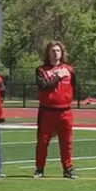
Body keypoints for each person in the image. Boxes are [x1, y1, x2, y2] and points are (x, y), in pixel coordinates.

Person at [34, 41, 76, 178]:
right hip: (47, 111)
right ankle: (39, 169)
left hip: (65, 111)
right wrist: (58, 76)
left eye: (58, 51)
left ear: (62, 53)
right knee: (43, 141)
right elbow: (43, 86)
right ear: (48, 53)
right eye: (52, 51)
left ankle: (68, 169)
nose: (55, 53)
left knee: (66, 142)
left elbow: (74, 86)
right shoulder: (41, 70)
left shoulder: (69, 70)